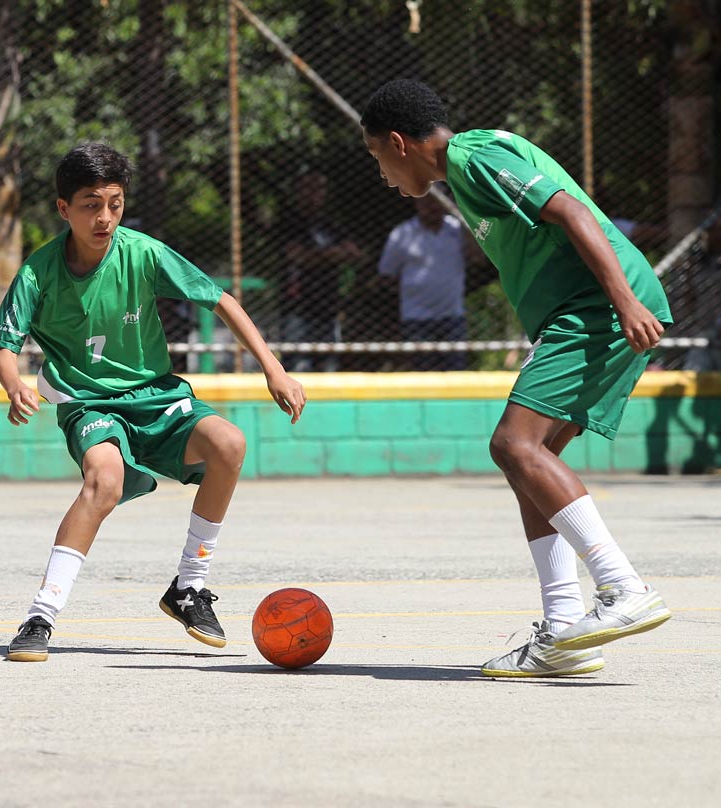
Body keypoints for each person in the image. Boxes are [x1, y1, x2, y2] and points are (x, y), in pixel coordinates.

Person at [361, 79, 673, 678]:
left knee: (513, 445)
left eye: (378, 157)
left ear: (399, 143)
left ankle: (623, 587)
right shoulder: (464, 170)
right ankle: (562, 631)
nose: (383, 175)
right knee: (530, 466)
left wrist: (624, 301)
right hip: (580, 311)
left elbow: (571, 211)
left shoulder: (472, 159)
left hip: (597, 307)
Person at [0, 142, 306, 662]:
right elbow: (4, 346)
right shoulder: (38, 272)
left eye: (114, 204)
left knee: (229, 443)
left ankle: (189, 587)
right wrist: (15, 383)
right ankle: (41, 615)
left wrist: (274, 368)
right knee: (104, 481)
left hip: (157, 396)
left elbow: (221, 300)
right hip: (90, 403)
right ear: (64, 209)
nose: (105, 217)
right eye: (91, 205)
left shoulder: (144, 253)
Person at [376, 190, 471, 370]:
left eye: (436, 201)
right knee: (422, 372)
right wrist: (413, 291)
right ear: (416, 202)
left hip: (453, 316)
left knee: (456, 373)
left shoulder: (458, 229)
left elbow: (477, 258)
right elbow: (386, 274)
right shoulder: (402, 233)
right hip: (416, 318)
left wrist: (461, 218)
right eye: (426, 201)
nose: (431, 206)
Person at [280, 170, 364, 371]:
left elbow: (355, 254)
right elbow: (297, 256)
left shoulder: (329, 224)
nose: (315, 193)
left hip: (329, 308)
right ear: (298, 191)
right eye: (308, 188)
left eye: (319, 188)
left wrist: (318, 255)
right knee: (299, 365)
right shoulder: (290, 223)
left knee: (329, 366)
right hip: (298, 308)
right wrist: (334, 254)